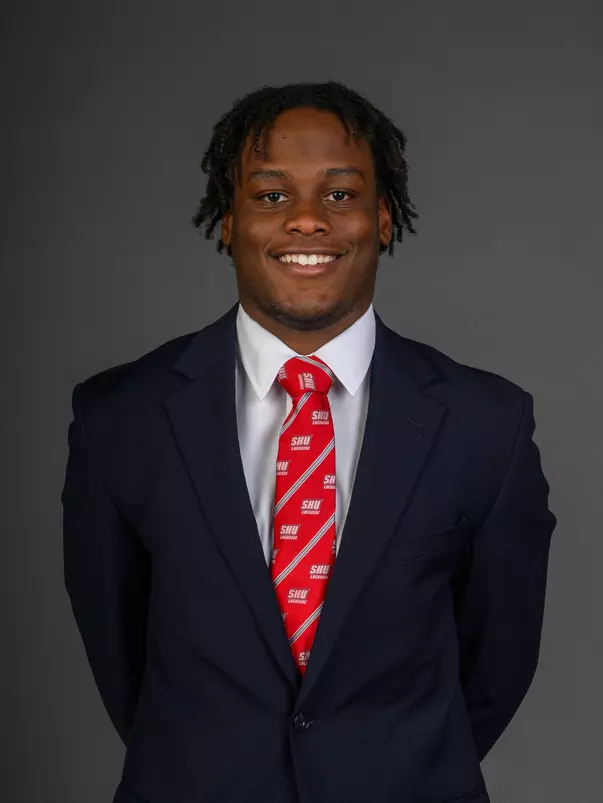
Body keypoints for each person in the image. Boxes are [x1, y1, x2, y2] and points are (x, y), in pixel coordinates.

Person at [62, 80, 557, 803]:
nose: (303, 221)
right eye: (268, 196)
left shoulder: (488, 422)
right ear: (226, 221)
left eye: (339, 194)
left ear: (383, 218)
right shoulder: (121, 416)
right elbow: (117, 643)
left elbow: (498, 655)